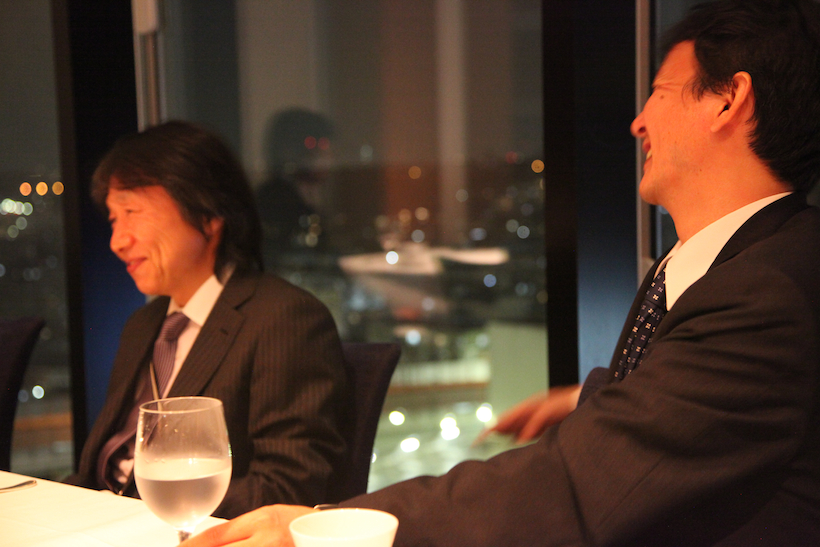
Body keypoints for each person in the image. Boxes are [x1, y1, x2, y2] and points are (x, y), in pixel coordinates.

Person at [181, 0, 820, 544]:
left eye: (659, 91)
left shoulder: (767, 293)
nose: (638, 122)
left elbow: (576, 485)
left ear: (729, 100)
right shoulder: (718, 267)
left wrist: (329, 527)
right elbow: (680, 412)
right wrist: (591, 399)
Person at [66, 120, 348, 520]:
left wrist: (149, 507)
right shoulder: (143, 326)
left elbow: (288, 489)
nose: (118, 241)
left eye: (132, 212)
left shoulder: (284, 319)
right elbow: (102, 470)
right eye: (114, 219)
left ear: (209, 214)